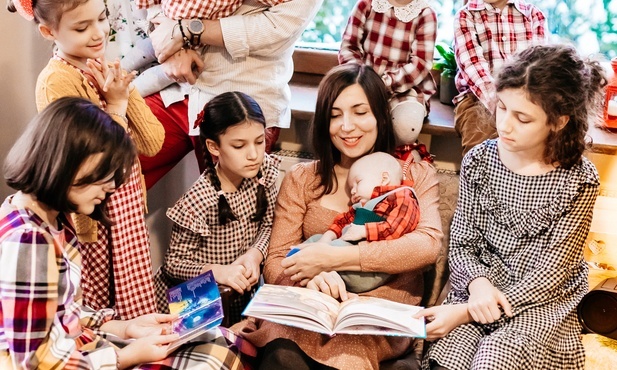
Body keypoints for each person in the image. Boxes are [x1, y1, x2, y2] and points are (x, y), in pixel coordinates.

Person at [0, 97, 251, 370]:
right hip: (67, 361)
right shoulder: (30, 242)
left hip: (79, 346)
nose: (110, 188)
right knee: (211, 359)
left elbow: (62, 312)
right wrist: (127, 355)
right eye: (103, 175)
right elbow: (35, 361)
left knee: (215, 340)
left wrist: (125, 327)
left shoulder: (46, 218)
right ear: (67, 162)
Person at [236, 63, 443, 369]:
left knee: (348, 356)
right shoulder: (303, 178)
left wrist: (333, 259)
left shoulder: (413, 174)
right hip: (309, 304)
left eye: (360, 112)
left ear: (380, 116)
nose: (347, 126)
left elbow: (426, 246)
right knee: (281, 352)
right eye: (335, 115)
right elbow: (277, 256)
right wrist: (313, 273)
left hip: (376, 313)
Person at [416, 44, 606, 370]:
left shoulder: (579, 179)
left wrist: (464, 312)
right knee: (449, 356)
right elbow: (463, 243)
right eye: (502, 108)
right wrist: (477, 289)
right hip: (479, 284)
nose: (504, 125)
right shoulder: (480, 160)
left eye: (522, 118)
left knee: (496, 356)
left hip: (539, 301)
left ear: (559, 122)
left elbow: (551, 274)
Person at [8, 0, 163, 320]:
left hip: (128, 212)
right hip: (91, 223)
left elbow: (153, 143)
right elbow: (93, 167)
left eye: (102, 18)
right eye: (81, 27)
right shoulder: (56, 82)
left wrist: (125, 92)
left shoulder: (108, 68)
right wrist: (117, 107)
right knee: (98, 315)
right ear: (49, 32)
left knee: (136, 311)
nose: (98, 33)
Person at [115, 0, 322, 189]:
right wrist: (171, 45)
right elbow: (157, 8)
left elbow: (277, 29)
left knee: (231, 214)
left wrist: (187, 30)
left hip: (242, 101)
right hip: (177, 91)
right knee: (104, 165)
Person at [154, 91, 280, 325]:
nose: (254, 154)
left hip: (239, 295)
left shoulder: (266, 173)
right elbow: (174, 264)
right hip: (199, 305)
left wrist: (255, 255)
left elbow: (269, 224)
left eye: (260, 141)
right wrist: (219, 272)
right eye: (239, 145)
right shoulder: (199, 200)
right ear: (214, 147)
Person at [302, 151, 420, 293]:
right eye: (352, 187)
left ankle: (305, 263)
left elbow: (398, 226)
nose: (353, 191)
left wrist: (364, 231)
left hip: (368, 271)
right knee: (316, 239)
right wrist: (327, 237)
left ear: (384, 178)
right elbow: (342, 221)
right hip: (344, 255)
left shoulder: (401, 196)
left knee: (335, 246)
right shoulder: (363, 205)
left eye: (358, 183)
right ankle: (296, 259)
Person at [121, 0, 288, 98]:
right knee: (145, 50)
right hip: (163, 27)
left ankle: (124, 95)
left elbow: (280, 20)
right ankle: (114, 74)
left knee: (162, 74)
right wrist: (160, 24)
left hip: (196, 45)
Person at [453, 0, 547, 155]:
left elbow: (538, 66)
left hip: (525, 96)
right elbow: (472, 65)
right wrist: (501, 104)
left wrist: (521, 104)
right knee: (480, 139)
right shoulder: (466, 15)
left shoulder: (533, 15)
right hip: (478, 98)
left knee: (537, 138)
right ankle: (478, 177)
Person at [338, 0, 437, 144]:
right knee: (344, 117)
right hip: (362, 83)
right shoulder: (367, 4)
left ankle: (395, 160)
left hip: (404, 89)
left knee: (406, 128)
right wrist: (361, 79)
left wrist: (383, 84)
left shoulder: (425, 13)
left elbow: (420, 63)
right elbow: (349, 48)